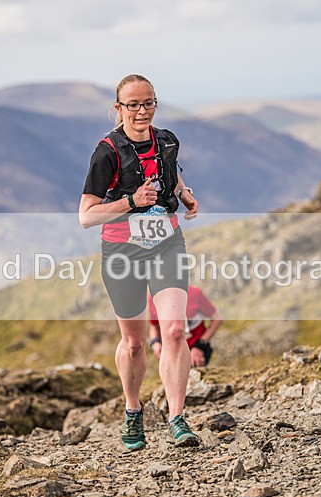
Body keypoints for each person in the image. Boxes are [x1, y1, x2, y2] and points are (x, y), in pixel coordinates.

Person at [78, 74, 200, 451]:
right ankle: (133, 411)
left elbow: (171, 175)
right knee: (133, 345)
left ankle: (177, 418)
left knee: (175, 331)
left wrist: (185, 193)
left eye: (148, 102)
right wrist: (132, 201)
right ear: (118, 109)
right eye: (133, 104)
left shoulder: (167, 141)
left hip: (166, 244)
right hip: (122, 252)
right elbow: (86, 215)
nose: (142, 110)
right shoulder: (108, 151)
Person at [148, 285, 223, 368]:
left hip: (197, 350)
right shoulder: (154, 298)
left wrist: (200, 346)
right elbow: (154, 326)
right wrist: (155, 343)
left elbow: (217, 319)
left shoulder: (195, 293)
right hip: (171, 353)